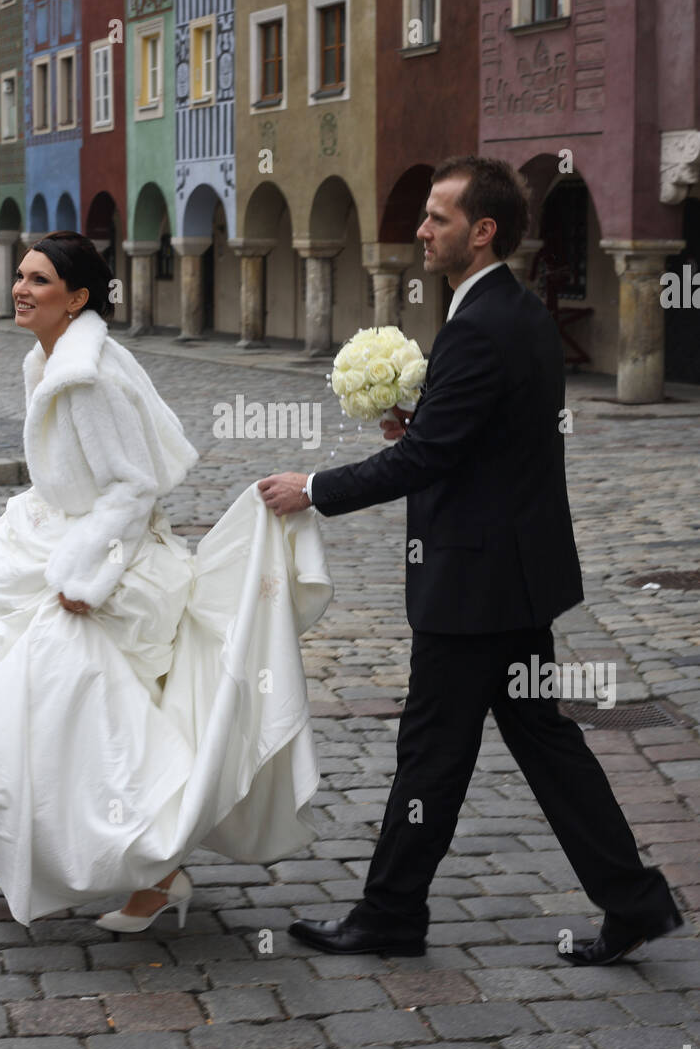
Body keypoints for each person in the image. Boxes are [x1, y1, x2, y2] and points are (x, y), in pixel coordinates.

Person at [257, 156, 683, 966]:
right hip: (513, 576)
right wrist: (424, 420)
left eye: (437, 218)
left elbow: (428, 463)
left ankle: (390, 914)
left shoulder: (480, 322)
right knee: (539, 742)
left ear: (481, 231)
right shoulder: (512, 312)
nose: (421, 230)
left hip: (476, 583)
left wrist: (311, 487)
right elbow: (477, 436)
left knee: (433, 749)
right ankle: (635, 902)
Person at [0, 232, 333, 928]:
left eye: (38, 281)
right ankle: (17, 847)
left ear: (75, 299)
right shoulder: (43, 361)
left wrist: (84, 575)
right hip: (51, 537)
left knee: (67, 702)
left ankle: (159, 871)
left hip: (113, 559)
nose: (20, 289)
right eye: (20, 276)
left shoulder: (88, 375)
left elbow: (131, 491)